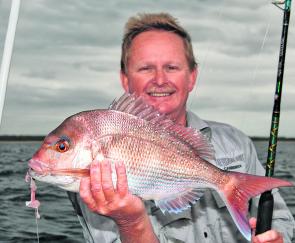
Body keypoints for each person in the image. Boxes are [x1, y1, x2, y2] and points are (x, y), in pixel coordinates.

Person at [68, 13, 295, 243]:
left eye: (172, 67)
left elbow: (281, 220)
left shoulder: (236, 143)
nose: (159, 79)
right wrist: (132, 222)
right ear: (125, 79)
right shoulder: (93, 174)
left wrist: (278, 239)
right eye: (146, 68)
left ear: (192, 78)